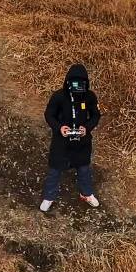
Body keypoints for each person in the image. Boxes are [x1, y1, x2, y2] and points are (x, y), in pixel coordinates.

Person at [39, 63, 102, 212]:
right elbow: (49, 114)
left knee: (84, 168)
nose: (78, 86)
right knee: (55, 169)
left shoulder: (90, 97)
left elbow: (96, 115)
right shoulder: (59, 96)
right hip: (61, 141)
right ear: (68, 81)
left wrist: (86, 128)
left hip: (82, 142)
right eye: (74, 82)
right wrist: (59, 127)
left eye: (81, 83)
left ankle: (86, 193)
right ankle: (49, 196)